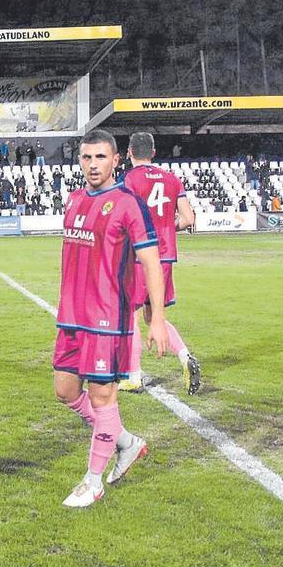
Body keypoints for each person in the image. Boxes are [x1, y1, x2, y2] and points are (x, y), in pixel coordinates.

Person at [54, 129, 169, 508]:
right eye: (86, 158)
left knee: (103, 398)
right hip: (72, 316)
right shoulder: (73, 200)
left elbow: (151, 261)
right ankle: (127, 443)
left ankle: (92, 481)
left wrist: (157, 319)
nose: (92, 165)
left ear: (116, 160)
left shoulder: (127, 203)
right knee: (66, 391)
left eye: (100, 157)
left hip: (108, 318)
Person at [117, 132, 201, 394]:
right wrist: (166, 227)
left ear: (129, 152)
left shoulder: (128, 179)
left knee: (130, 314)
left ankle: (133, 375)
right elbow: (188, 218)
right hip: (165, 257)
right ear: (153, 152)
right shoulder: (172, 178)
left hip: (140, 257)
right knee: (154, 315)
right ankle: (185, 356)